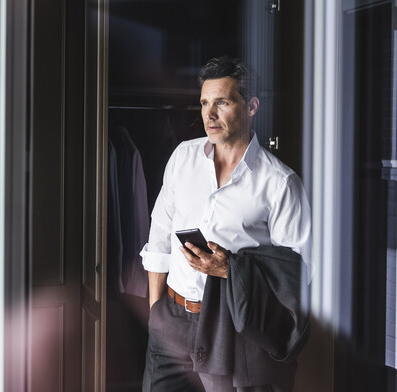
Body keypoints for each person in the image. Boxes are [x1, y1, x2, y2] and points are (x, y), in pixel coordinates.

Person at [140, 56, 312, 392]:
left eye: (222, 102)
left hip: (232, 328)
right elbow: (159, 240)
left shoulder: (280, 183)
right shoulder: (182, 158)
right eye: (205, 103)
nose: (210, 114)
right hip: (171, 320)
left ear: (251, 107)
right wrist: (156, 313)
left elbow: (299, 276)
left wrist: (231, 270)